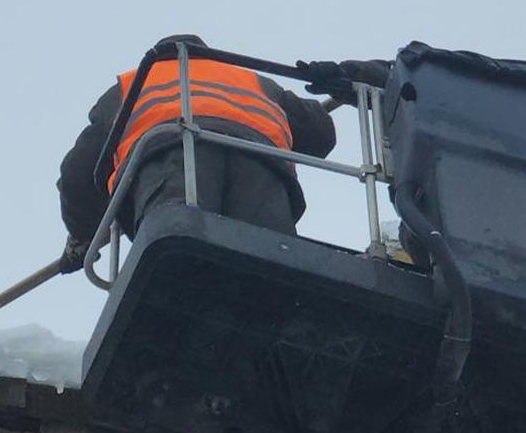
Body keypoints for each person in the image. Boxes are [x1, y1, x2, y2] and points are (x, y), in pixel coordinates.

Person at [57, 35, 388, 272]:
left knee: (177, 263)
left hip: (173, 168)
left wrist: (83, 237)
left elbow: (80, 174)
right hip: (262, 173)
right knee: (271, 272)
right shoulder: (251, 79)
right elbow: (319, 134)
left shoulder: (131, 85)